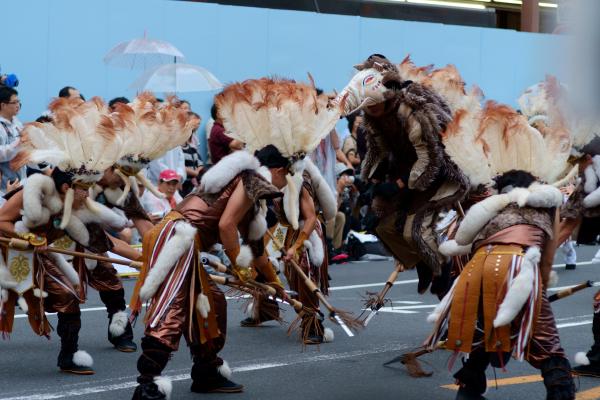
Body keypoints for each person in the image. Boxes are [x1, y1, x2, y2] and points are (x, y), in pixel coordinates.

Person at [129, 149, 282, 398]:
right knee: (174, 308)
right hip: (179, 239)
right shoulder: (251, 179)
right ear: (278, 171)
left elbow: (257, 248)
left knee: (212, 301)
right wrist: (242, 271)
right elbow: (226, 226)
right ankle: (147, 385)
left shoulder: (237, 185)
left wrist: (273, 283)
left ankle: (206, 372)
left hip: (177, 237)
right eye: (287, 178)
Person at [428, 171, 575, 400]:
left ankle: (469, 391)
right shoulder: (547, 206)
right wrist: (541, 292)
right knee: (547, 342)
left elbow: (464, 241)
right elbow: (546, 258)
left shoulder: (490, 208)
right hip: (518, 265)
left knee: (486, 329)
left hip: (479, 267)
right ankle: (560, 394)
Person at [214, 79, 340, 344]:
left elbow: (310, 217)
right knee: (262, 259)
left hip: (306, 231)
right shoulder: (267, 174)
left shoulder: (297, 177)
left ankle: (312, 322)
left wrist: (297, 246)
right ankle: (266, 309)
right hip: (283, 228)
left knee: (300, 273)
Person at [0, 86, 24, 190]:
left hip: (20, 178)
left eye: (18, 102)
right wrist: (19, 142)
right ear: (3, 105)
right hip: (4, 185)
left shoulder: (17, 122)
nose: (18, 105)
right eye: (14, 102)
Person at [181, 112, 204, 197]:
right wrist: (195, 173)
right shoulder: (177, 147)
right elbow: (179, 165)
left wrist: (197, 172)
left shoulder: (192, 146)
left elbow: (200, 162)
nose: (197, 126)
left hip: (193, 183)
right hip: (184, 183)